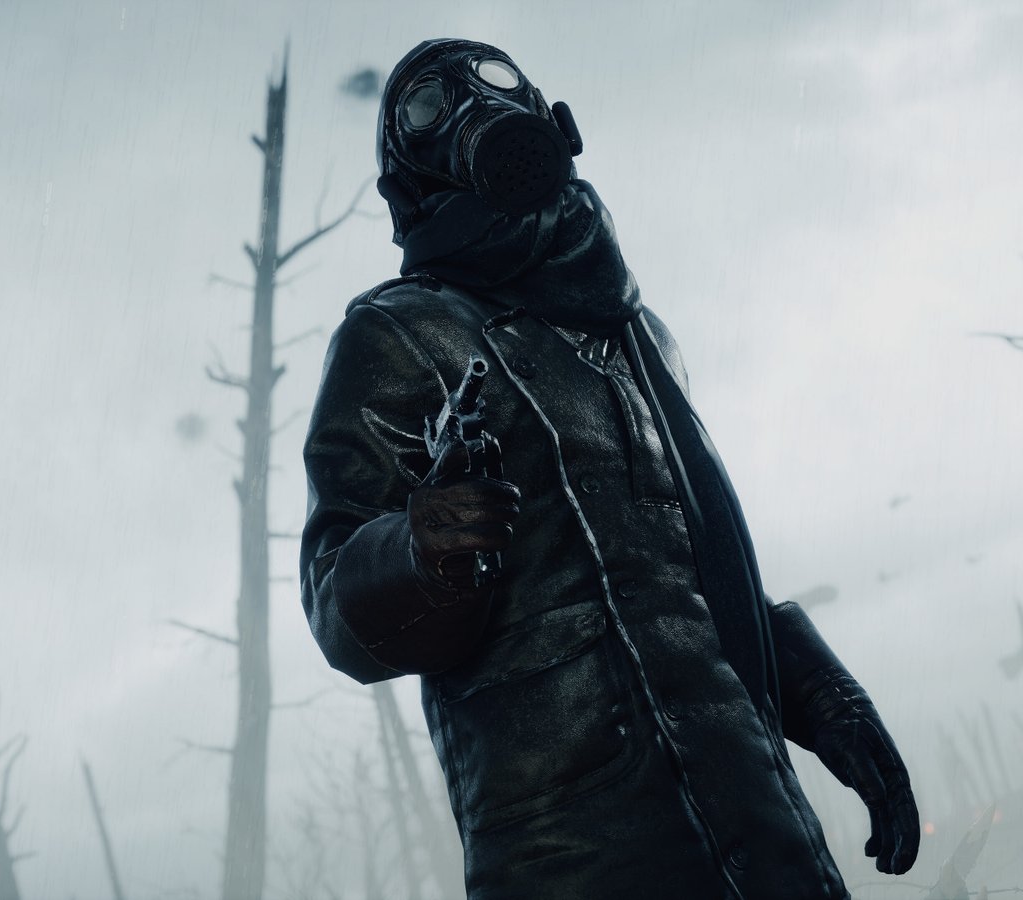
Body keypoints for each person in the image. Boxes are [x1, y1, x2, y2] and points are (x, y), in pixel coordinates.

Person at [299, 38, 918, 900]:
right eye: (429, 108)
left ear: (555, 123)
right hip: (572, 859)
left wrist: (816, 691)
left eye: (494, 82)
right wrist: (417, 549)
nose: (477, 107)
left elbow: (696, 578)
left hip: (761, 830)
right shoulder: (397, 334)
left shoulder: (637, 334)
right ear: (411, 187)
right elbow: (335, 603)